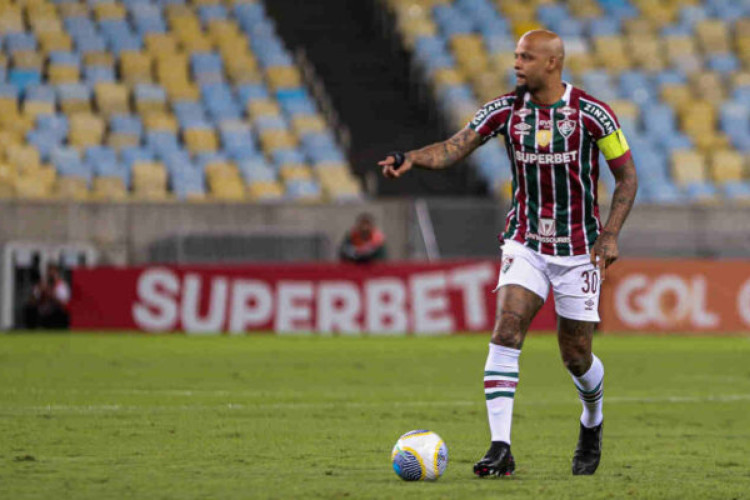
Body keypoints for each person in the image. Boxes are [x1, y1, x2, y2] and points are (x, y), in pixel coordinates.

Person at [379, 30, 638, 477]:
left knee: (575, 355)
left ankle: (591, 421)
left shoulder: (593, 115)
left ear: (552, 63)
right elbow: (454, 146)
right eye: (516, 56)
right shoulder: (504, 110)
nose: (516, 64)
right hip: (525, 242)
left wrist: (610, 235)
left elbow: (627, 177)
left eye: (526, 57)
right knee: (507, 328)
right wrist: (413, 158)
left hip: (578, 250)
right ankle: (501, 447)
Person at [23, 263, 71, 329]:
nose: (50, 274)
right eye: (49, 271)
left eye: (53, 271)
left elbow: (64, 303)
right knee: (29, 309)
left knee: (60, 312)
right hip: (43, 313)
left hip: (56, 313)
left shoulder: (61, 285)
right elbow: (32, 301)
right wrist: (40, 292)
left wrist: (50, 293)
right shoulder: (42, 285)